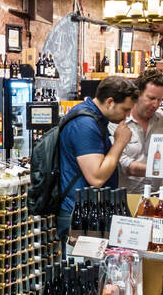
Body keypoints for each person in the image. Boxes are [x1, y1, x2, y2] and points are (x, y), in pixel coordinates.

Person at [56, 75, 137, 237]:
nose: (127, 116)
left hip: (89, 210)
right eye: (125, 109)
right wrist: (120, 142)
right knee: (81, 262)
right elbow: (97, 178)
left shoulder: (93, 118)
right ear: (110, 102)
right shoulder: (85, 124)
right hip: (80, 214)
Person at [114, 68, 163, 194]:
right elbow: (122, 163)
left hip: (157, 196)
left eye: (160, 99)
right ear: (137, 94)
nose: (156, 105)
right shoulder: (118, 122)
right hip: (126, 198)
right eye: (151, 98)